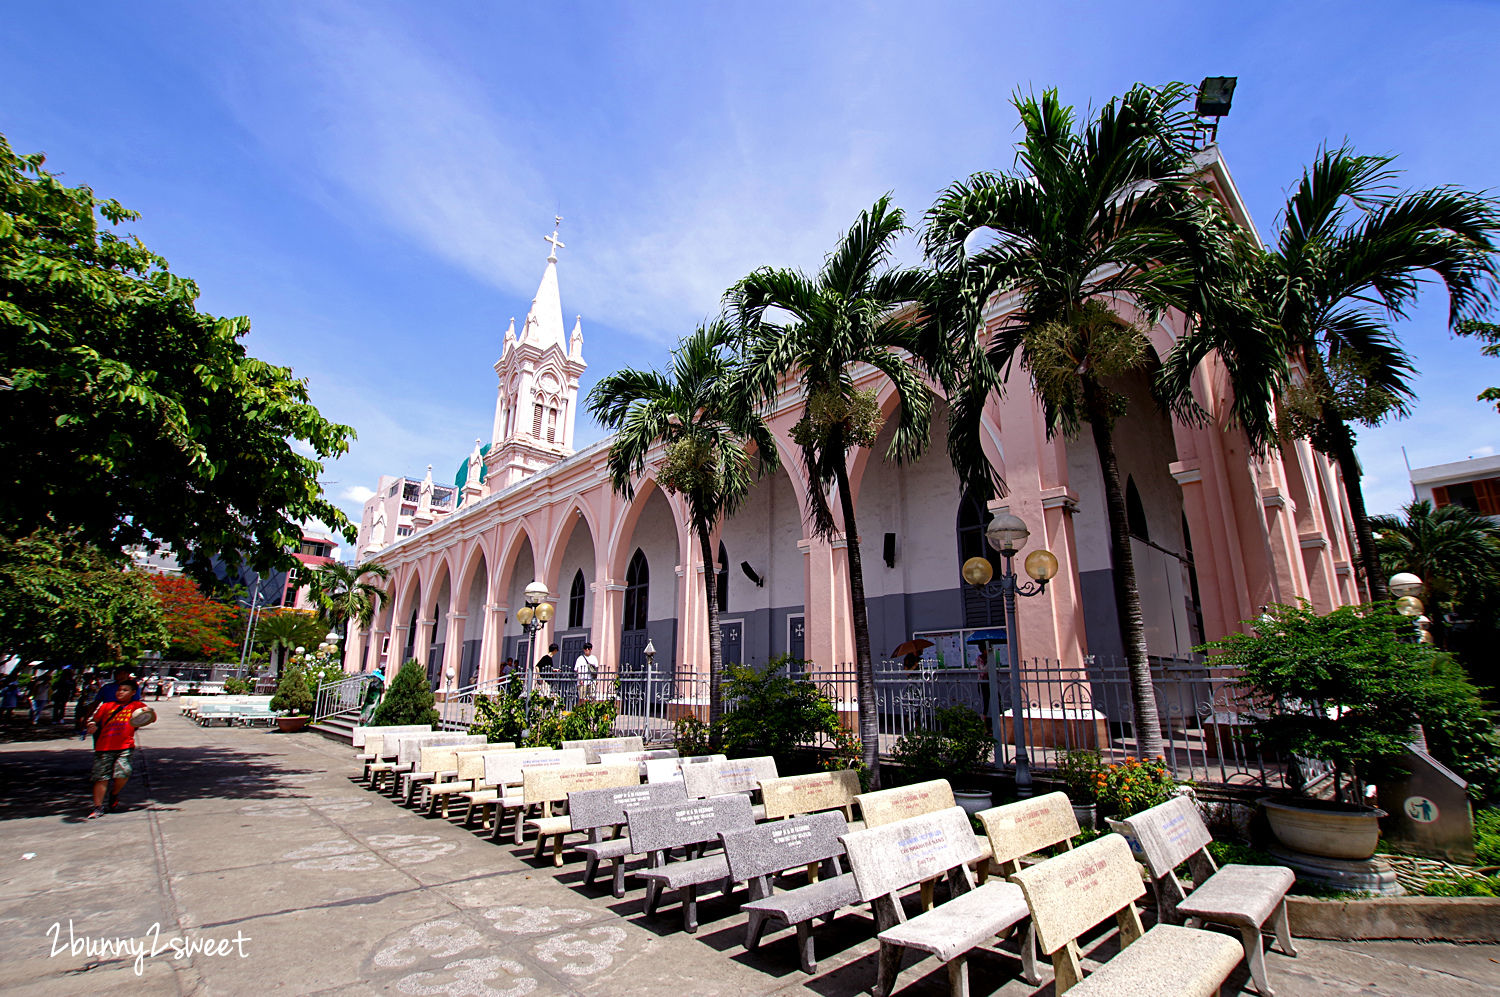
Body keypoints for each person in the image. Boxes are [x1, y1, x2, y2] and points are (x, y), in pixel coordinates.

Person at [85, 679, 150, 818]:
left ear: (133, 693)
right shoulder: (107, 706)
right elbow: (94, 720)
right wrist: (91, 725)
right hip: (104, 746)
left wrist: (148, 711)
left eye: (125, 690)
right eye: (119, 690)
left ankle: (114, 794)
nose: (120, 692)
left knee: (124, 772)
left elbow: (150, 718)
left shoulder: (136, 706)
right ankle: (98, 807)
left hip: (124, 746)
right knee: (101, 777)